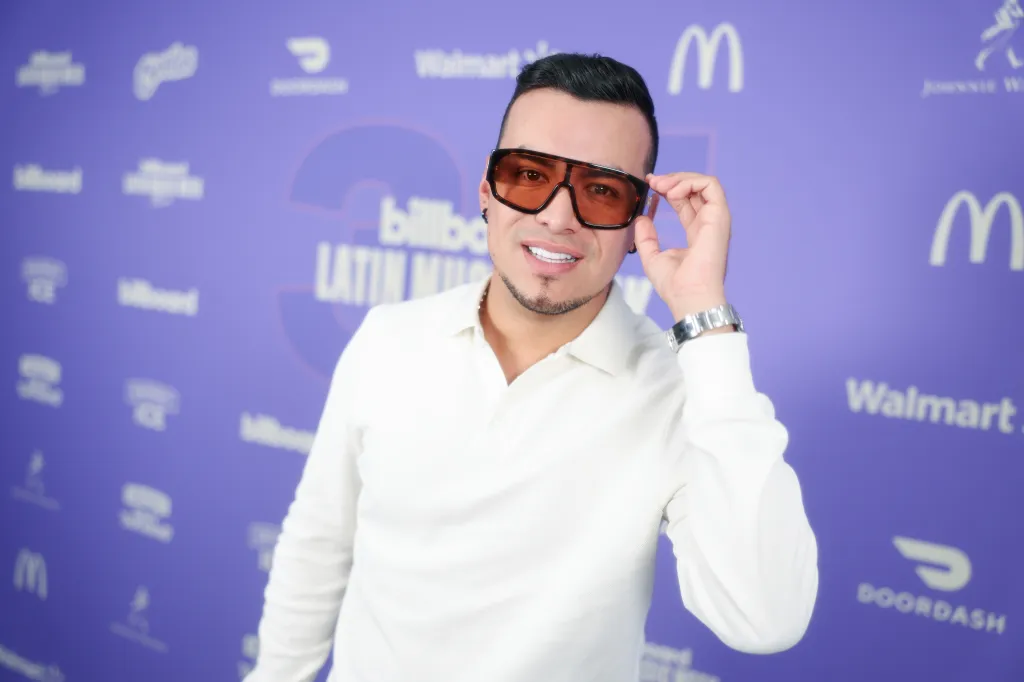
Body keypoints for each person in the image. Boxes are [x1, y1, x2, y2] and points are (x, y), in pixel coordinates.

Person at [246, 53, 819, 682]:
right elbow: (319, 543)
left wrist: (707, 322)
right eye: (528, 174)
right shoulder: (389, 339)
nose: (557, 216)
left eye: (601, 190)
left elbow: (765, 619)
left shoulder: (681, 391)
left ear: (638, 223)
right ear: (486, 191)